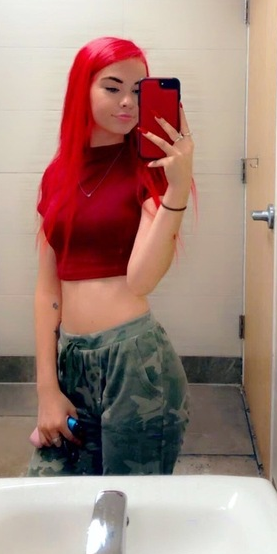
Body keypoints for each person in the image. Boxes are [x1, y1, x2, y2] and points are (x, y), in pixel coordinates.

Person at [27, 36, 194, 477]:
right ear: (81, 91)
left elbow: (141, 280)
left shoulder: (149, 170)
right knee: (50, 493)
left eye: (138, 91)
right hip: (71, 360)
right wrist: (46, 388)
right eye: (112, 87)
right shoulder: (57, 174)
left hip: (136, 362)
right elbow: (47, 290)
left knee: (130, 502)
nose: (128, 102)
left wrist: (178, 188)